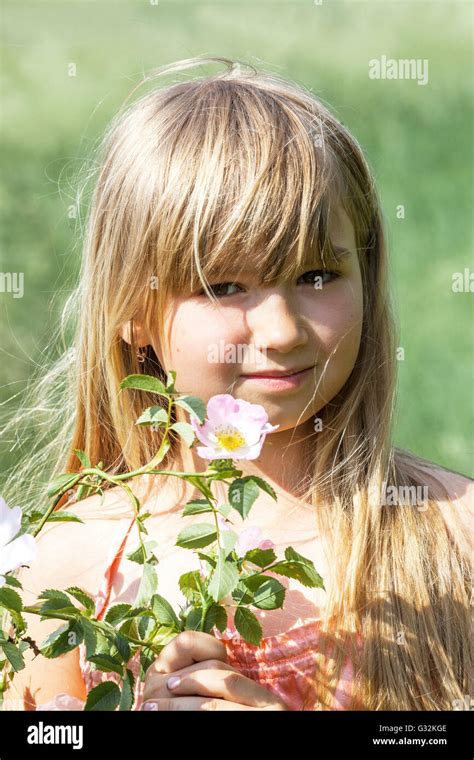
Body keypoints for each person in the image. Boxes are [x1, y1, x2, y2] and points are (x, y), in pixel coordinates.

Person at [4, 55, 472, 712]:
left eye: (316, 276)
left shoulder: (455, 539)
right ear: (133, 314)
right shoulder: (59, 577)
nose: (281, 331)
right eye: (224, 286)